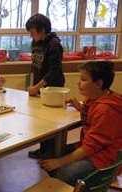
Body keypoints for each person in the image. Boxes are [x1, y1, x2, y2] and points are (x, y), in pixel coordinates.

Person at [39, 61, 122, 186]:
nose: (78, 83)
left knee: (62, 173)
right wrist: (81, 108)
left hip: (105, 159)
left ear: (98, 84)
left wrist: (60, 162)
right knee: (52, 153)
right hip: (97, 151)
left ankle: (89, 184)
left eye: (83, 79)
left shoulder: (105, 110)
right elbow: (94, 118)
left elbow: (90, 147)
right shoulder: (98, 98)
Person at [25, 13, 65, 158]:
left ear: (41, 29)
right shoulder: (35, 43)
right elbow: (35, 66)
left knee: (51, 121)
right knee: (40, 120)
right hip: (40, 86)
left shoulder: (54, 45)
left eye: (32, 32)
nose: (30, 35)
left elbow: (54, 71)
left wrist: (38, 87)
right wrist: (33, 84)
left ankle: (51, 152)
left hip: (53, 87)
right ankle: (43, 150)